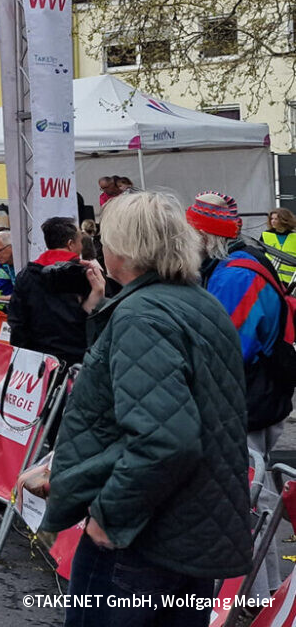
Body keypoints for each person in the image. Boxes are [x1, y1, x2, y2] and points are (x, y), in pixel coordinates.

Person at [33, 191, 251, 622]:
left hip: (144, 534)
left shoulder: (143, 315)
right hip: (190, 526)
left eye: (105, 240)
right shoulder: (199, 302)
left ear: (124, 248)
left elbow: (165, 439)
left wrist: (109, 516)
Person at [189, 191, 294, 596]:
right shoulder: (232, 268)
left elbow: (226, 350)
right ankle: (259, 592)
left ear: (204, 235)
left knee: (250, 496)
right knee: (250, 495)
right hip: (250, 398)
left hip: (246, 402)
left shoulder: (236, 276)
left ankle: (257, 595)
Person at [7, 217, 103, 366]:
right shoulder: (86, 275)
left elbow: (17, 322)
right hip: (77, 360)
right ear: (70, 244)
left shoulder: (26, 275)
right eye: (80, 241)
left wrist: (22, 358)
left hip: (38, 360)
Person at [262, 207, 296, 286]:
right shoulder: (265, 235)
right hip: (271, 279)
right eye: (271, 219)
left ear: (284, 220)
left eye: (276, 219)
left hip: (291, 281)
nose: (273, 221)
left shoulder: (294, 236)